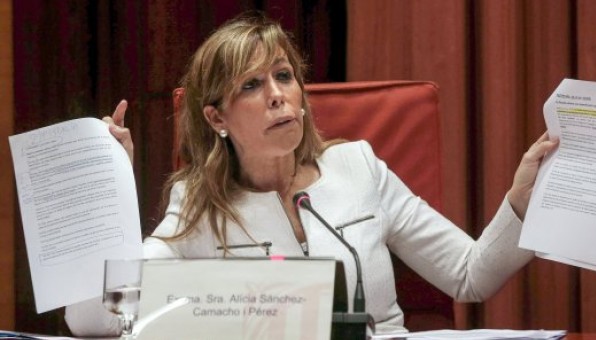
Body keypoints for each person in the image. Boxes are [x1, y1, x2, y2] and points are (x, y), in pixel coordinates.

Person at [65, 13, 557, 336]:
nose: (278, 94)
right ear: (217, 119)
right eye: (252, 85)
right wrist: (105, 191)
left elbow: (470, 274)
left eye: (284, 76)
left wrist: (520, 201)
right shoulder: (198, 203)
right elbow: (91, 321)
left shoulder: (359, 168)